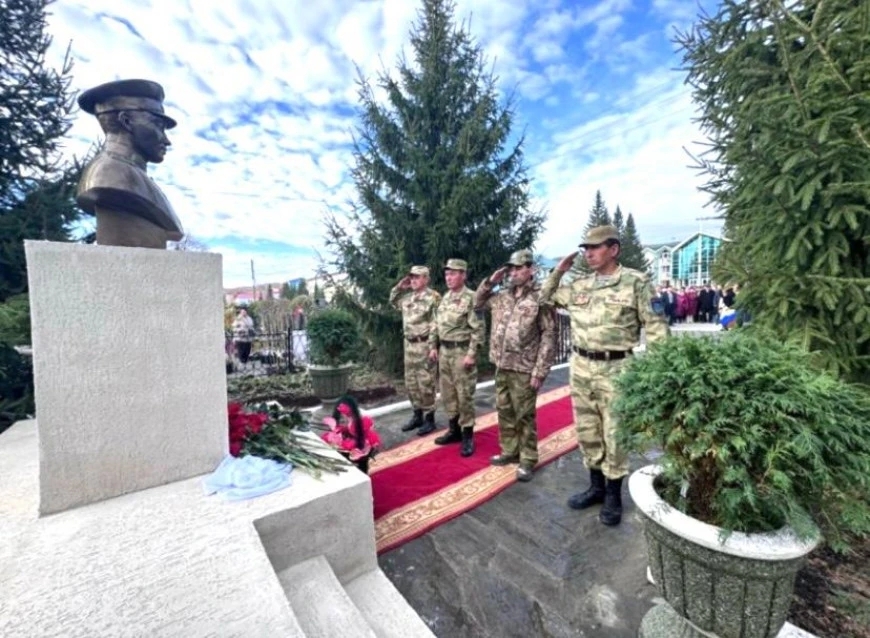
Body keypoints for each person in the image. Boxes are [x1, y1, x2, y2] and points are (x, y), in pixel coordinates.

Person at [539, 225, 669, 526]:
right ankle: (595, 487)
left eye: (595, 247)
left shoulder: (636, 282)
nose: (588, 253)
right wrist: (558, 271)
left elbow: (656, 328)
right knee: (587, 430)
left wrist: (657, 373)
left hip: (618, 369)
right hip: (582, 367)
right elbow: (544, 298)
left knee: (614, 432)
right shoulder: (581, 284)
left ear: (613, 249)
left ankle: (613, 494)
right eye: (585, 248)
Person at [474, 249, 557, 481]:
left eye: (519, 268)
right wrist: (491, 282)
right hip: (502, 365)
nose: (514, 272)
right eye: (511, 268)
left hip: (524, 367)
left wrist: (540, 370)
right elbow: (477, 303)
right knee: (504, 410)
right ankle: (510, 451)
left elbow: (549, 335)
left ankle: (528, 458)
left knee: (524, 414)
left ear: (531, 269)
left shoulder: (541, 296)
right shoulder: (503, 295)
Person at [76, 79, 184, 248]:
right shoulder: (107, 174)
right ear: (126, 121)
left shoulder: (134, 175)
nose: (166, 140)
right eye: (158, 125)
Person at [428, 259, 484, 457]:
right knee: (447, 393)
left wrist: (471, 354)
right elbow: (436, 323)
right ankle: (454, 430)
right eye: (446, 274)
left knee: (464, 394)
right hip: (444, 352)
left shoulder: (472, 298)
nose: (448, 278)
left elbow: (478, 329)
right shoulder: (446, 297)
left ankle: (467, 434)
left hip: (461, 353)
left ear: (463, 275)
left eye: (452, 274)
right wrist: (433, 346)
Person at [389, 266, 441, 436]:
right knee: (411, 383)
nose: (413, 280)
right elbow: (392, 300)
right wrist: (399, 286)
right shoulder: (407, 298)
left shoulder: (433, 297)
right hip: (409, 346)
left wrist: (433, 346)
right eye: (411, 277)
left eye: (417, 277)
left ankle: (429, 419)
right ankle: (417, 415)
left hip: (424, 345)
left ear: (426, 279)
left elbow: (436, 323)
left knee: (426, 383)